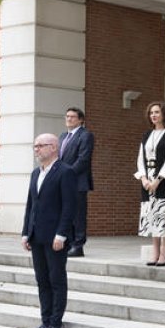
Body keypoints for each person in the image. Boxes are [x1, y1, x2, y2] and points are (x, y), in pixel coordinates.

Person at [21, 133, 77, 328]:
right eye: (35, 146)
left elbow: (69, 207)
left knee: (56, 279)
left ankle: (55, 324)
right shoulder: (36, 173)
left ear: (54, 147)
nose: (37, 149)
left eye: (41, 146)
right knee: (42, 280)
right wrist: (26, 232)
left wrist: (62, 234)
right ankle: (45, 321)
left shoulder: (65, 172)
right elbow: (31, 205)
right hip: (37, 235)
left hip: (55, 237)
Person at [135, 101, 165, 266]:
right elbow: (141, 159)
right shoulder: (146, 135)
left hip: (164, 180)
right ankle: (154, 252)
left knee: (163, 216)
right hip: (147, 180)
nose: (153, 115)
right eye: (151, 112)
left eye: (157, 112)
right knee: (151, 216)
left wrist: (157, 181)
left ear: (164, 115)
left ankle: (163, 254)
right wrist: (144, 178)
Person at [59, 106, 94, 257]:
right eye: (67, 116)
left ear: (80, 120)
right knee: (66, 213)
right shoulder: (62, 136)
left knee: (78, 215)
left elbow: (83, 159)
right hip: (63, 182)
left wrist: (67, 174)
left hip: (77, 182)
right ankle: (69, 243)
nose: (69, 119)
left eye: (72, 117)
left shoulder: (85, 135)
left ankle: (78, 246)